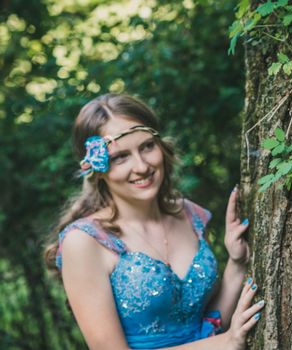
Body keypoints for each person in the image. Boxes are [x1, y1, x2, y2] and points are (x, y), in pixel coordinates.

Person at [44, 94, 264, 350]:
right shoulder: (83, 242)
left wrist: (237, 263)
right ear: (97, 169)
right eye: (120, 157)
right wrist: (225, 343)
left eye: (147, 146)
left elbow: (208, 325)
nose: (141, 166)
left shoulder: (189, 215)